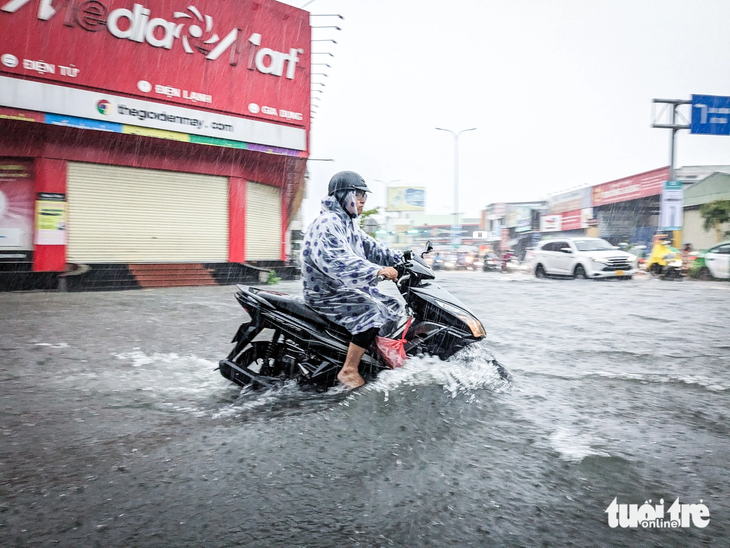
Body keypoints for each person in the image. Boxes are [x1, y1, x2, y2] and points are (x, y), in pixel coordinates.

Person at [301, 171, 404, 389]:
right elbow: (337, 260)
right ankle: (349, 369)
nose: (362, 200)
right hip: (326, 293)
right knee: (372, 312)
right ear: (343, 195)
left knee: (392, 306)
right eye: (357, 194)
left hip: (343, 290)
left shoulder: (348, 224)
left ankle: (373, 358)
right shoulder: (327, 223)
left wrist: (405, 258)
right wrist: (376, 271)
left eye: (364, 195)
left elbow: (374, 249)